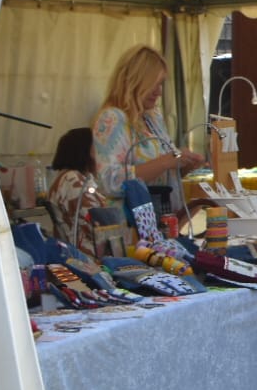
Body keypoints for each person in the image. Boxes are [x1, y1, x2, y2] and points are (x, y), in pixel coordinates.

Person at [91, 45, 205, 210]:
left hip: (163, 219)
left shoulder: (152, 117)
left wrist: (184, 165)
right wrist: (165, 162)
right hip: (134, 227)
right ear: (135, 81)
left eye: (161, 84)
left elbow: (161, 175)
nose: (159, 92)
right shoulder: (112, 120)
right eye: (154, 84)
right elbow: (108, 181)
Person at [47, 127, 107, 256]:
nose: (98, 153)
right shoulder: (72, 180)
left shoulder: (69, 178)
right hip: (86, 257)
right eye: (94, 147)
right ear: (86, 151)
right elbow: (95, 222)